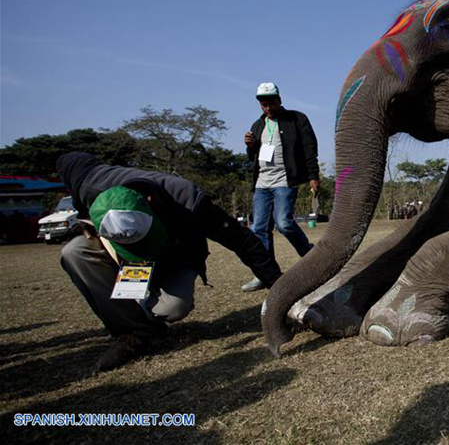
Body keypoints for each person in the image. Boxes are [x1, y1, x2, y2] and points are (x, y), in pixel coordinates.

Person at [56, 152, 282, 372]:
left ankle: (146, 317)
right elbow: (72, 162)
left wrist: (283, 289)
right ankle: (133, 334)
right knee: (74, 251)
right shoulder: (89, 188)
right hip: (134, 261)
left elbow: (242, 241)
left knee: (173, 308)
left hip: (177, 255)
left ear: (150, 202)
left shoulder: (188, 200)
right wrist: (86, 220)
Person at [242, 82, 320, 292]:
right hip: (262, 184)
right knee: (259, 229)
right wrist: (250, 146)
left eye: (271, 103)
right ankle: (266, 275)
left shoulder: (296, 119)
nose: (267, 107)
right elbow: (253, 157)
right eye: (263, 104)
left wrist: (313, 176)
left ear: (279, 100)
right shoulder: (258, 125)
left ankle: (310, 256)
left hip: (285, 180)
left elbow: (309, 148)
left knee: (284, 222)